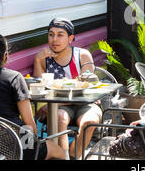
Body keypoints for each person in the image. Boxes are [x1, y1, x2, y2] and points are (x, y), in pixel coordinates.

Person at [0, 30, 66, 160]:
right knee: (60, 153)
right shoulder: (14, 77)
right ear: (4, 56)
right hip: (18, 145)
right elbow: (31, 126)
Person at [33, 17, 100, 159]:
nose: (54, 39)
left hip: (86, 103)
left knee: (90, 121)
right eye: (51, 34)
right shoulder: (45, 58)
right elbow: (40, 88)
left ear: (71, 38)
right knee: (58, 117)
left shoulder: (81, 55)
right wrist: (37, 61)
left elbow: (89, 90)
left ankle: (73, 155)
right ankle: (62, 156)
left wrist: (55, 103)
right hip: (61, 107)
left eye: (60, 35)